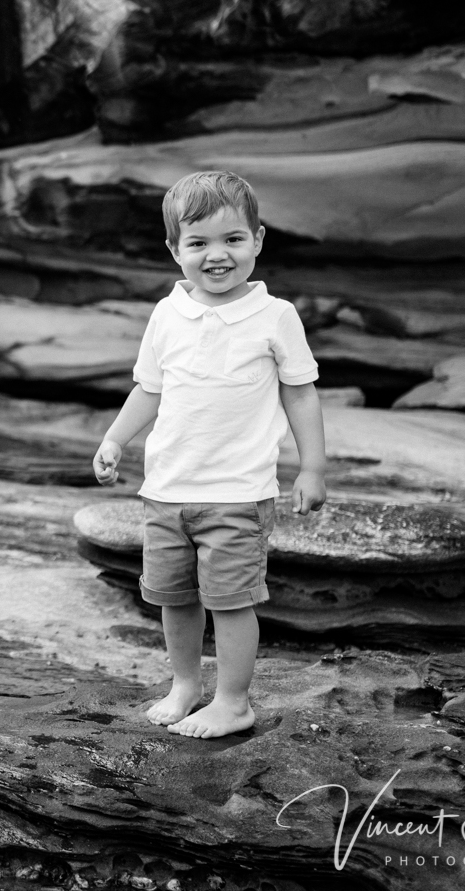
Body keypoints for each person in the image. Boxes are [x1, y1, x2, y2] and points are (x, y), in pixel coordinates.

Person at [92, 171, 327, 739]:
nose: (216, 255)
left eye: (232, 240)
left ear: (259, 240)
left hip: (237, 493)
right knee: (174, 598)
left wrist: (312, 466)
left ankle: (233, 700)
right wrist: (115, 438)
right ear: (175, 250)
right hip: (167, 490)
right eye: (198, 243)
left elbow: (300, 391)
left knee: (230, 601)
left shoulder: (276, 316)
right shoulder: (167, 314)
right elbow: (150, 388)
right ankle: (184, 684)